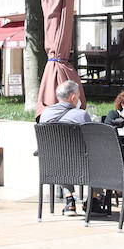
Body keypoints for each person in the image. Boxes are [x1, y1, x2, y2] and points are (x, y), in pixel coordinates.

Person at [39, 80, 95, 215]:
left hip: (53, 164)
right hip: (81, 166)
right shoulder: (81, 114)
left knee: (62, 157)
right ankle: (94, 200)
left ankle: (69, 200)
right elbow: (92, 140)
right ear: (73, 97)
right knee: (98, 157)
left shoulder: (45, 114)